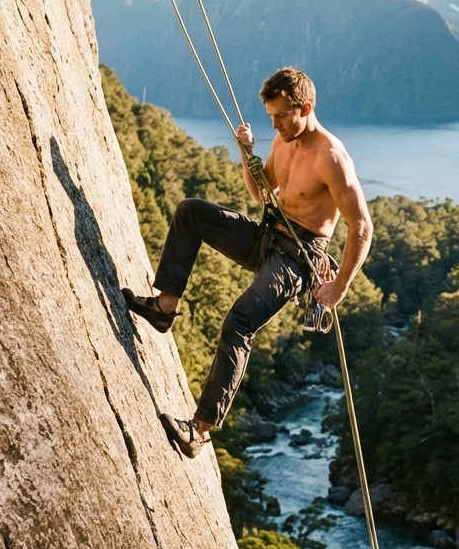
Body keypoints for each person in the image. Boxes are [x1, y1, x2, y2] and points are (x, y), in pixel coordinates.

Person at [123, 66, 373, 455]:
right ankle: (163, 307)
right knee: (192, 213)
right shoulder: (283, 139)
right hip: (267, 234)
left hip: (297, 257)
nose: (274, 125)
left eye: (281, 116)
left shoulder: (331, 158)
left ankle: (199, 431)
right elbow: (261, 193)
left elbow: (362, 226)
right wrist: (247, 155)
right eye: (270, 116)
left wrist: (339, 285)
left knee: (239, 322)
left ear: (305, 108)